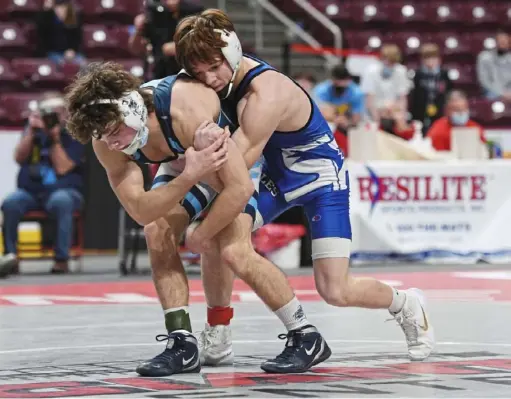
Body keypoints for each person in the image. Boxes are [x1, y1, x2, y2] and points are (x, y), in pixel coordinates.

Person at [173, 8, 435, 367]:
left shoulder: (266, 93)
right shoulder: (218, 82)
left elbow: (236, 169)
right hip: (279, 177)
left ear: (233, 51)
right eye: (199, 72)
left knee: (335, 290)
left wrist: (188, 173)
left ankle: (405, 302)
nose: (209, 79)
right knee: (223, 241)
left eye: (213, 67)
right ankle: (219, 335)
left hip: (321, 181)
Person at [64, 62, 326, 376]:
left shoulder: (184, 110)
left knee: (233, 249)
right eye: (103, 137)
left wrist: (201, 233)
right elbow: (140, 210)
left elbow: (239, 187)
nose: (113, 143)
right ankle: (182, 342)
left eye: (114, 132)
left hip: (229, 155)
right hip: (186, 162)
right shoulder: (107, 142)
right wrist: (190, 174)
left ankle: (305, 333)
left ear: (131, 109)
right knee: (156, 231)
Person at [0, 93, 85, 277]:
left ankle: (61, 260)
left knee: (62, 201)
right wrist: (31, 132)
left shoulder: (73, 134)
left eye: (56, 113)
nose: (50, 117)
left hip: (64, 190)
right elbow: (18, 158)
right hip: (30, 192)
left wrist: (54, 138)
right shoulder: (31, 131)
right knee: (10, 203)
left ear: (64, 114)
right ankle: (10, 259)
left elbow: (63, 168)